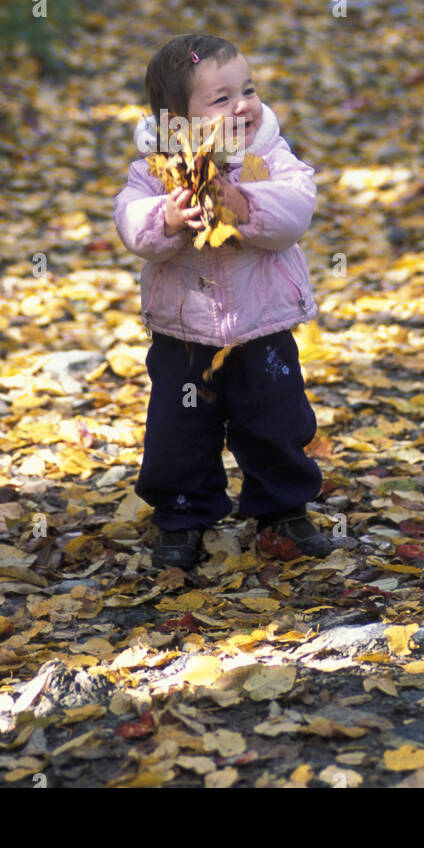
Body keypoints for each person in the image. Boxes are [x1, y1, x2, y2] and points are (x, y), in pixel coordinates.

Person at [113, 32, 333, 570]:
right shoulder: (155, 172)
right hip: (184, 334)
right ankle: (183, 516)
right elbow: (130, 223)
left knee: (276, 423)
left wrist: (243, 203)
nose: (244, 106)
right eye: (221, 99)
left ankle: (282, 512)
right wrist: (165, 219)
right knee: (178, 433)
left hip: (262, 330)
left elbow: (296, 209)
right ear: (176, 123)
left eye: (249, 90)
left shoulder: (267, 157)